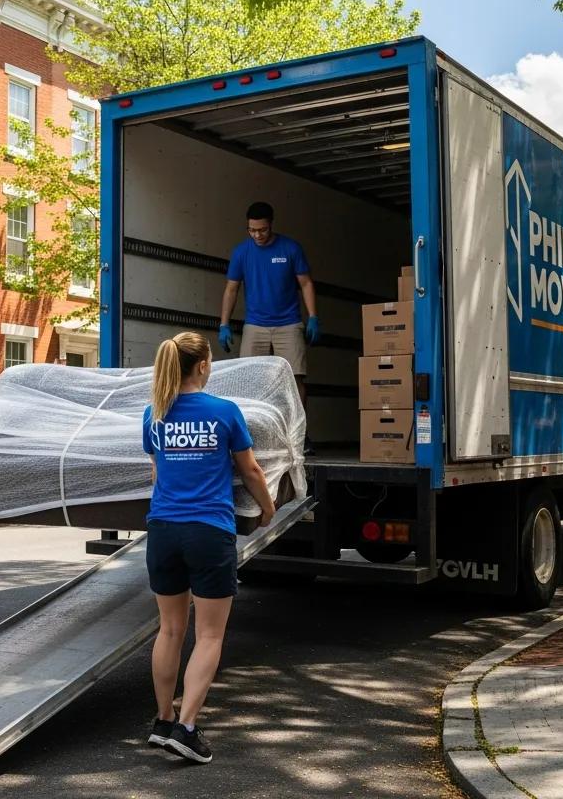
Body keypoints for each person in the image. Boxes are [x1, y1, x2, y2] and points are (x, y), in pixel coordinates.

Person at [142, 332, 276, 764]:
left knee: (169, 630)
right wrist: (268, 507)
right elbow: (251, 469)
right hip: (208, 531)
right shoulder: (224, 412)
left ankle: (164, 720)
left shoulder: (153, 415)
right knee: (210, 633)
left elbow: (156, 474)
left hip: (163, 530)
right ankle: (188, 728)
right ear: (202, 366)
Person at [219, 201, 319, 453]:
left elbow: (305, 283)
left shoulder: (290, 248)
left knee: (296, 379)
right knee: (247, 379)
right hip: (255, 325)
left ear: (271, 225)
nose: (257, 235)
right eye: (252, 230)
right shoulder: (242, 252)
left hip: (289, 322)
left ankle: (299, 435)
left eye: (261, 230)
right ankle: (249, 436)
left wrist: (313, 316)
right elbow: (232, 288)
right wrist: (224, 324)